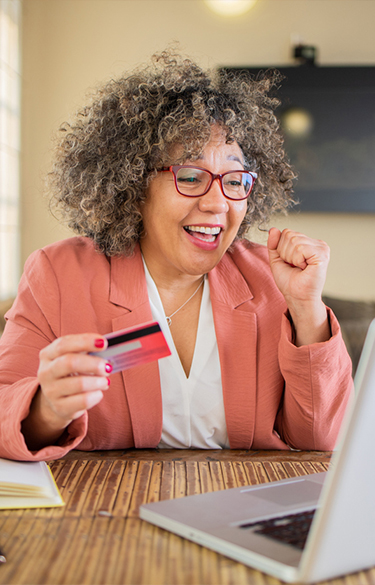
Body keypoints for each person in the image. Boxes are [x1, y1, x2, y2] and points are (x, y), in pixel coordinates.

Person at [0, 50, 352, 461]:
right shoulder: (59, 275)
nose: (218, 203)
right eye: (189, 176)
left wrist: (306, 309)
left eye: (235, 180)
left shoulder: (275, 282)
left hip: (236, 508)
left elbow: (324, 440)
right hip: (106, 509)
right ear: (133, 186)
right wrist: (48, 408)